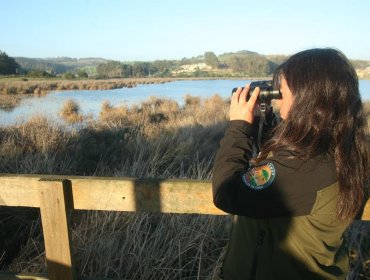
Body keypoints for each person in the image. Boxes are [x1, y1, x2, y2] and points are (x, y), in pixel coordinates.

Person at [212, 48, 369, 280]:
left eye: (282, 92)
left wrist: (239, 127)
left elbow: (227, 193)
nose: (277, 97)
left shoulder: (308, 166)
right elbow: (288, 152)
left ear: (308, 97)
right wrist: (261, 121)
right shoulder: (339, 146)